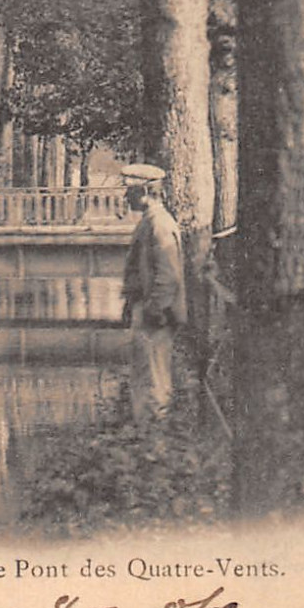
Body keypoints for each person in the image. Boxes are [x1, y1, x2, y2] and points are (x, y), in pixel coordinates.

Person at [120, 164, 185, 419]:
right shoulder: (150, 222)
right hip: (148, 312)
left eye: (130, 191)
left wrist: (153, 310)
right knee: (145, 379)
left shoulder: (159, 224)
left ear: (145, 191)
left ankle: (156, 444)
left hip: (155, 317)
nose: (126, 197)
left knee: (153, 382)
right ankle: (148, 440)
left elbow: (168, 276)